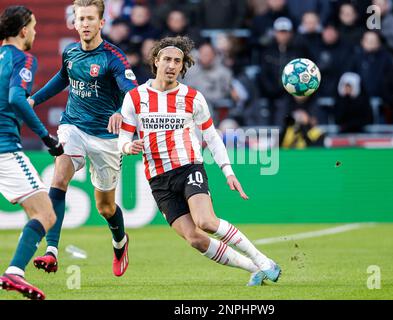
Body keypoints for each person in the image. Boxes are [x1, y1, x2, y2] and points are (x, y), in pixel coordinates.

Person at [118, 36, 281, 286]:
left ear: (183, 66)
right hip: (157, 178)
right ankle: (254, 267)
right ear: (156, 61)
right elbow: (123, 138)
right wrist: (129, 146)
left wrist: (228, 171)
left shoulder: (192, 97)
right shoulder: (135, 97)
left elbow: (212, 137)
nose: (172, 65)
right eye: (167, 59)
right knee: (194, 238)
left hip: (188, 167)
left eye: (177, 61)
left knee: (206, 221)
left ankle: (263, 260)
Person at [28, 0, 138, 277]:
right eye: (81, 19)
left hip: (106, 138)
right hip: (73, 126)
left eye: (91, 18)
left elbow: (132, 91)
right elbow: (61, 79)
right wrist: (33, 99)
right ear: (74, 23)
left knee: (105, 207)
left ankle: (120, 242)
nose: (86, 23)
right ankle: (51, 250)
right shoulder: (71, 52)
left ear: (101, 23)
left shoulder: (113, 57)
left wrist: (117, 111)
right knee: (60, 174)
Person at [0, 5, 64, 300]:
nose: (36, 32)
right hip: (5, 150)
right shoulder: (22, 58)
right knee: (46, 214)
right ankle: (14, 272)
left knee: (36, 213)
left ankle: (15, 272)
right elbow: (17, 98)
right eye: (34, 26)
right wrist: (46, 137)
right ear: (24, 30)